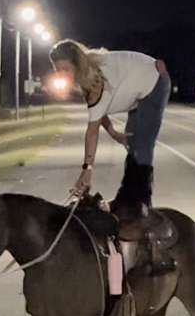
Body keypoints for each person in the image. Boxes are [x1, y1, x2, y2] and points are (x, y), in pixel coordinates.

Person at [49, 39, 171, 210]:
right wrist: (113, 133)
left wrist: (87, 170)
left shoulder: (96, 78)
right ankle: (127, 199)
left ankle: (142, 204)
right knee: (132, 143)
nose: (61, 74)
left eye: (65, 69)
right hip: (141, 89)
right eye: (57, 70)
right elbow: (99, 110)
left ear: (77, 65)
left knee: (142, 146)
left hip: (155, 83)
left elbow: (92, 131)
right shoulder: (87, 76)